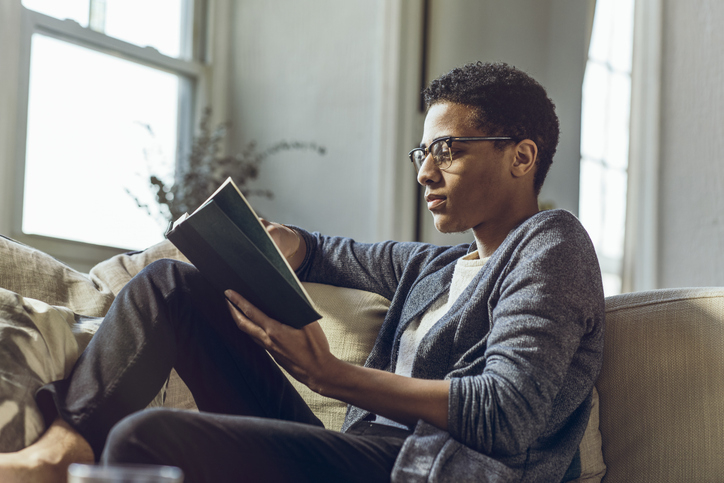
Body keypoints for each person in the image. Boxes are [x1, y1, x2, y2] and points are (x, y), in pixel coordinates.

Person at [0, 61, 604, 483]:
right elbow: (329, 252)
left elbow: (506, 413)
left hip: (425, 475)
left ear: (522, 156)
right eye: (423, 153)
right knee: (166, 287)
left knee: (148, 439)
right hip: (355, 457)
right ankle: (57, 454)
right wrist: (283, 245)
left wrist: (331, 375)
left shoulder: (551, 245)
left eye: (447, 151)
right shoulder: (438, 264)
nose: (425, 172)